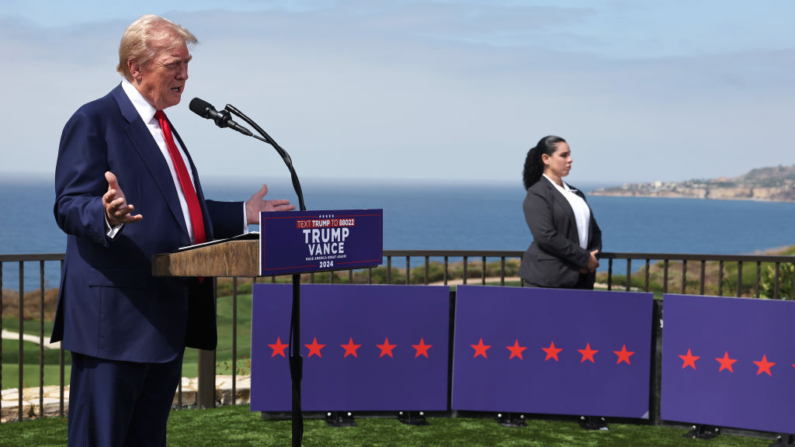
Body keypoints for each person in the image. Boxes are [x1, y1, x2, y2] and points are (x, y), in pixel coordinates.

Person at [51, 15, 295, 446]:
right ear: (136, 67)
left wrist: (244, 212)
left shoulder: (165, 127)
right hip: (116, 324)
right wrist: (105, 214)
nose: (184, 74)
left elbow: (180, 212)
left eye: (186, 63)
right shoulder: (95, 119)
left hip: (163, 320)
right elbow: (69, 205)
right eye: (173, 64)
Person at [517, 135, 602, 289]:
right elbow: (545, 236)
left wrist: (591, 260)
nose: (570, 160)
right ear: (546, 158)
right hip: (548, 281)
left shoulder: (577, 194)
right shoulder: (537, 193)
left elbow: (595, 231)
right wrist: (583, 259)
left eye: (569, 154)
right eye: (564, 155)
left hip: (582, 279)